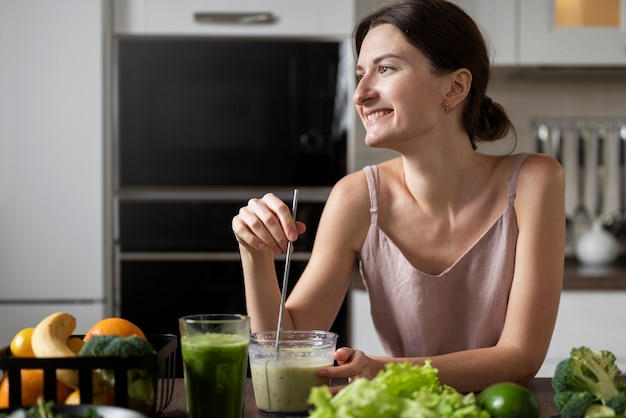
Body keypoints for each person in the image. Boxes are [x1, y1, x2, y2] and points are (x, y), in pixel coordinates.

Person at [232, 0, 565, 393]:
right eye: (360, 74)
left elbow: (520, 357)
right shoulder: (355, 197)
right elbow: (287, 350)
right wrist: (252, 253)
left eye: (385, 69)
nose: (359, 94)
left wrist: (382, 371)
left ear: (455, 87)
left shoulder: (534, 180)